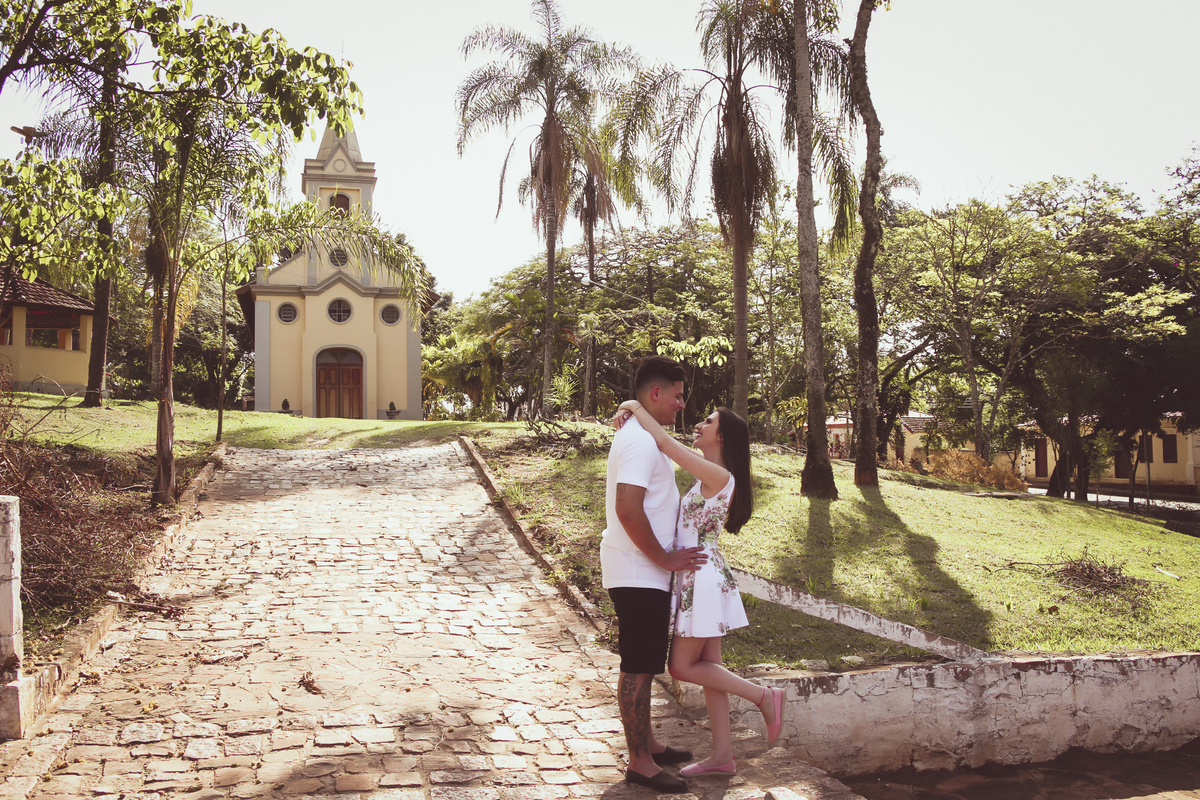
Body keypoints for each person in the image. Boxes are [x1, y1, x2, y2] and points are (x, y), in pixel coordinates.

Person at [615, 399, 784, 778]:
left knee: (681, 667)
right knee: (710, 668)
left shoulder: (718, 476)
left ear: (721, 435)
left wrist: (633, 405)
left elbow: (663, 442)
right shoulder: (709, 475)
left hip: (701, 577)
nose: (698, 424)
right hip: (700, 574)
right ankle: (722, 757)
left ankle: (764, 696)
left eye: (707, 421)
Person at [601, 355, 708, 794]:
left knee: (645, 663)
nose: (683, 405)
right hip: (638, 570)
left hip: (643, 571)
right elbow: (628, 508)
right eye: (679, 396)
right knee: (638, 668)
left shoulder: (643, 434)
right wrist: (663, 559)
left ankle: (649, 743)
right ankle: (639, 762)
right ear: (657, 393)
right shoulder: (640, 443)